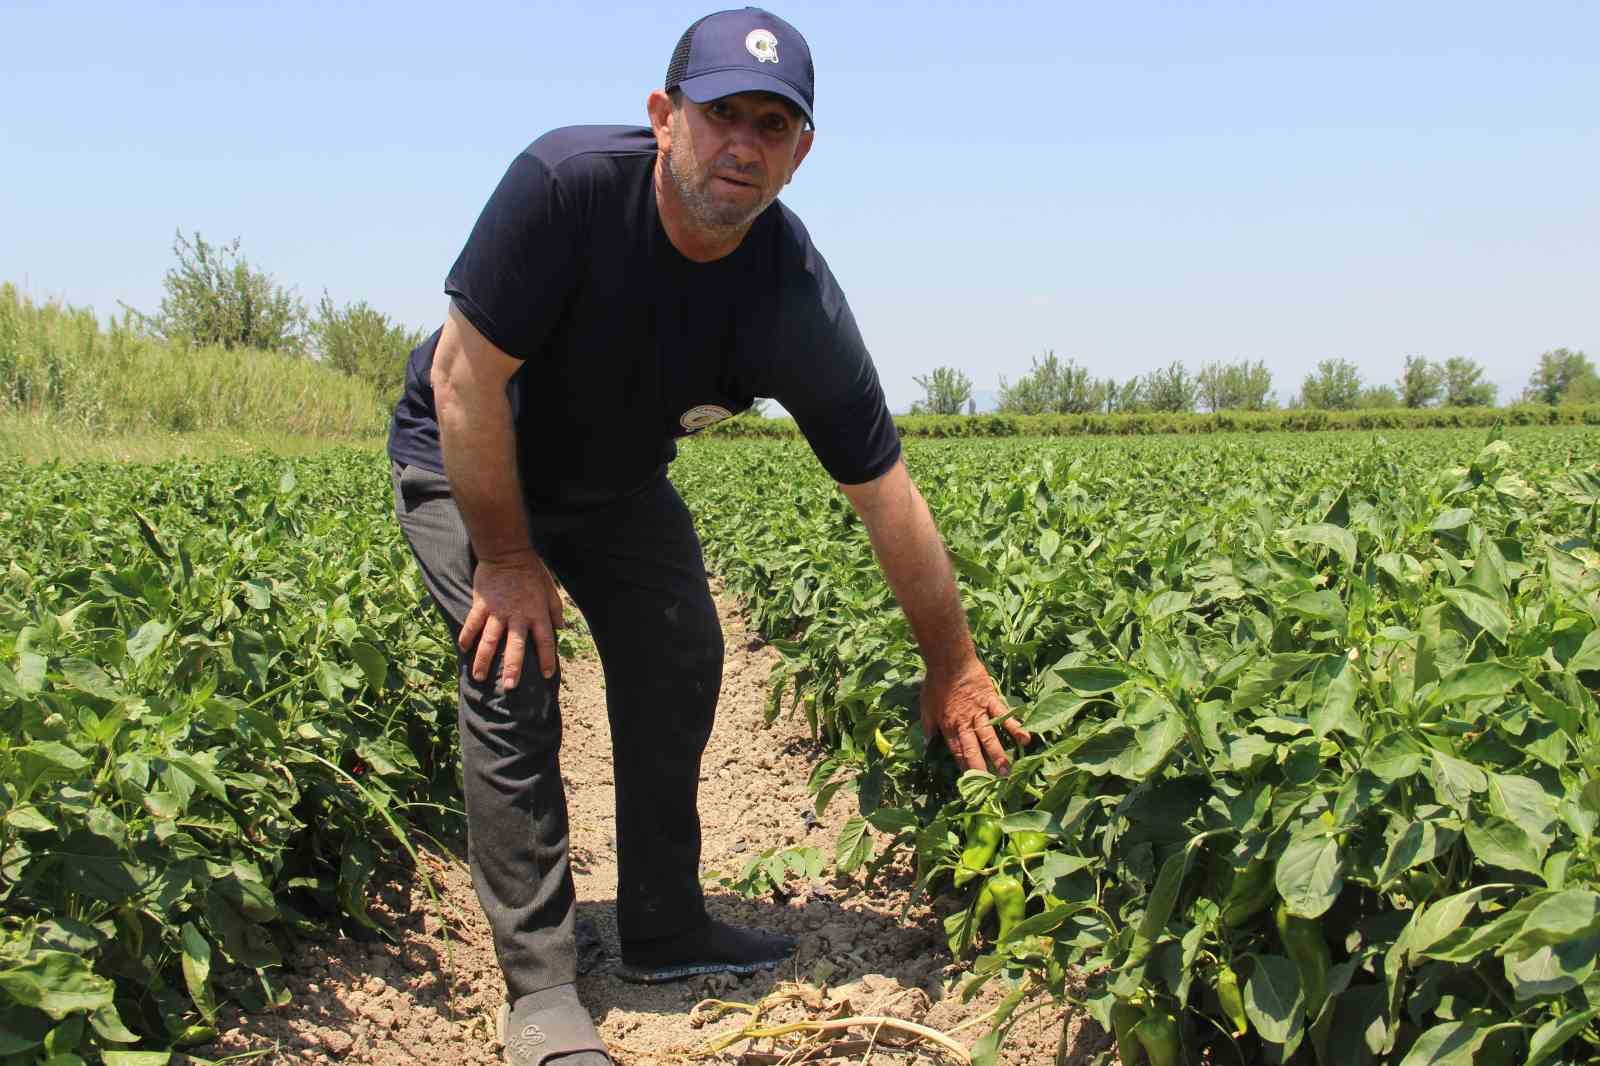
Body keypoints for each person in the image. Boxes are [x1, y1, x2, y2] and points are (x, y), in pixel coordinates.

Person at [387, 8, 1032, 1063]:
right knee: (510, 664)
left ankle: (662, 919)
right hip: (470, 452)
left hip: (614, 480)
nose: (743, 143)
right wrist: (506, 559)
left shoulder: (789, 295)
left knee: (681, 644)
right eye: (720, 112)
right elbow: (465, 379)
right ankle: (543, 990)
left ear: (800, 152)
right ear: (663, 116)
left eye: (772, 125)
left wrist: (953, 664)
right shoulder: (566, 188)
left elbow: (885, 493)